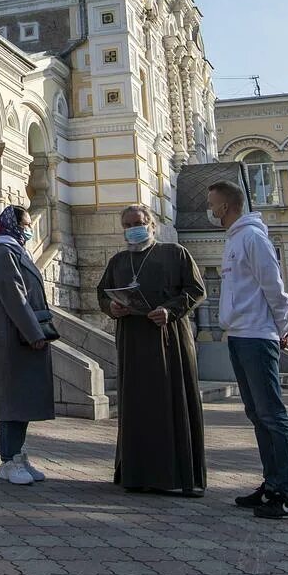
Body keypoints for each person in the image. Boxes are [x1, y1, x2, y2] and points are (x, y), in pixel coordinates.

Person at [96, 203, 207, 496]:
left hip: (167, 338)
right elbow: (102, 293)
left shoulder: (175, 254)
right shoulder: (118, 262)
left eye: (138, 222)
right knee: (136, 406)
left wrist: (170, 311)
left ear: (152, 225)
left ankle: (178, 476)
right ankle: (136, 474)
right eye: (128, 225)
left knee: (170, 402)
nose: (133, 229)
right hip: (131, 339)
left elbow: (196, 290)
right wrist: (113, 307)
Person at [207, 178, 288, 519]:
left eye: (212, 203)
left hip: (258, 336)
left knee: (273, 415)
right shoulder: (234, 239)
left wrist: (282, 329)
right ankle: (272, 484)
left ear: (226, 206)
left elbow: (274, 288)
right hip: (239, 334)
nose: (209, 210)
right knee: (257, 415)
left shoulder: (252, 237)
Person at [0, 204, 56, 485]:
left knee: (25, 398)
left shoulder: (16, 250)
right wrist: (33, 333)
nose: (29, 228)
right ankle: (8, 459)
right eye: (25, 224)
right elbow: (13, 296)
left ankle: (18, 454)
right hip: (15, 335)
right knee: (13, 399)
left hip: (28, 334)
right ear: (13, 224)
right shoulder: (4, 252)